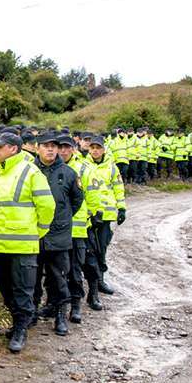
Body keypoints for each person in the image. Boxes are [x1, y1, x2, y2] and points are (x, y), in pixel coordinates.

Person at [0, 132, 55, 353]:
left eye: (0, 147)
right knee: (6, 290)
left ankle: (21, 330)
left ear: (13, 149)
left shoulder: (30, 172)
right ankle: (16, 324)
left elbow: (47, 206)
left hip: (23, 245)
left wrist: (38, 232)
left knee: (23, 290)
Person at [32, 134, 83, 336]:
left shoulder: (68, 173)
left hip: (59, 235)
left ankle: (61, 315)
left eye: (54, 146)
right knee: (32, 279)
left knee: (59, 278)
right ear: (38, 149)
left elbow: (77, 201)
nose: (51, 150)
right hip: (34, 234)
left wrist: (63, 218)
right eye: (46, 146)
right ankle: (31, 314)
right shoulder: (29, 171)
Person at [56, 135, 100, 323]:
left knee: (75, 271)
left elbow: (92, 196)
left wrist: (90, 215)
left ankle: (75, 305)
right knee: (56, 273)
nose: (64, 151)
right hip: (55, 231)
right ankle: (57, 307)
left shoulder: (84, 168)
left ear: (74, 148)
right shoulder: (50, 168)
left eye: (67, 147)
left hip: (77, 230)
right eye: (61, 148)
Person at [84, 135, 126, 302]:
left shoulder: (112, 167)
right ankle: (91, 283)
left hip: (106, 216)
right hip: (90, 216)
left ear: (103, 149)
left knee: (102, 249)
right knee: (89, 251)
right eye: (92, 147)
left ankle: (100, 280)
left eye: (98, 148)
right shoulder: (83, 165)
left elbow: (118, 187)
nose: (95, 150)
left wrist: (122, 207)